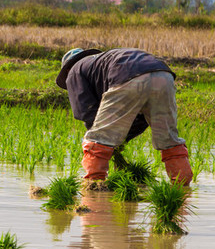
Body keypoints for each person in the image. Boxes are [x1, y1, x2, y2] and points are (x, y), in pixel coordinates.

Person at [56, 47, 192, 185]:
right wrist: (120, 141)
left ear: (67, 70)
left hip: (127, 75)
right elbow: (141, 120)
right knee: (168, 138)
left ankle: (94, 186)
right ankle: (182, 186)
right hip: (163, 75)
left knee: (96, 139)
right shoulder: (101, 62)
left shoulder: (74, 70)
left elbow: (86, 111)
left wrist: (104, 141)